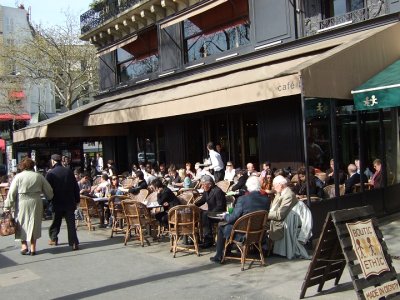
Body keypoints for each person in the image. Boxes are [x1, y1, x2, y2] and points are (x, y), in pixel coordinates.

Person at [210, 176, 270, 263]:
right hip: (259, 232)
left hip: (243, 233)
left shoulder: (242, 199)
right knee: (230, 225)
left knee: (222, 225)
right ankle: (227, 252)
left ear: (248, 187)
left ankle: (219, 255)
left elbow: (233, 218)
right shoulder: (266, 199)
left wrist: (225, 216)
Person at [4, 158, 54, 255]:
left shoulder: (18, 177)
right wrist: (50, 197)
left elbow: (11, 193)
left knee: (21, 223)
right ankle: (33, 247)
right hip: (36, 201)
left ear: (22, 166)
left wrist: (7, 206)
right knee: (34, 223)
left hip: (22, 201)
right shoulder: (38, 176)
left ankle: (24, 246)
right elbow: (49, 191)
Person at [46, 154, 80, 251]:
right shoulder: (68, 171)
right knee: (71, 223)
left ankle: (53, 238)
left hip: (57, 201)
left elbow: (48, 189)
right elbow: (75, 187)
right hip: (69, 201)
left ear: (53, 161)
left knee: (56, 221)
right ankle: (74, 243)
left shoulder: (50, 173)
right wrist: (77, 200)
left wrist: (49, 200)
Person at [195, 175, 226, 248]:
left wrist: (210, 212)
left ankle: (208, 241)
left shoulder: (218, 191)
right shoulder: (207, 191)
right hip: (211, 213)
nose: (202, 186)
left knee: (205, 215)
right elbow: (202, 200)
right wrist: (194, 205)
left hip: (219, 214)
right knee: (199, 213)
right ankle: (197, 237)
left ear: (209, 184)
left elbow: (220, 206)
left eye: (203, 184)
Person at [268, 175, 298, 243]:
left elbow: (280, 215)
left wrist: (266, 214)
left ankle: (265, 246)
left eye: (274, 185)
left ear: (280, 185)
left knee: (259, 225)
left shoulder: (288, 195)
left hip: (283, 223)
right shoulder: (282, 193)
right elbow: (273, 207)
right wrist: (278, 193)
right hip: (279, 220)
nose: (273, 187)